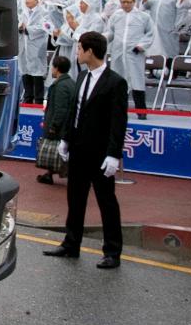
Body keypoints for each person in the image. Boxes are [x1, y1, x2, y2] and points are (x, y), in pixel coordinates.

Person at [45, 31, 128, 268]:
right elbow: (75, 112)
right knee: (75, 198)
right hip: (78, 149)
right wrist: (65, 139)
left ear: (90, 51)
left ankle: (112, 251)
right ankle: (71, 243)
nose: (77, 52)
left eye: (80, 48)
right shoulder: (81, 78)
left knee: (106, 201)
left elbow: (118, 122)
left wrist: (114, 154)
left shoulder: (115, 82)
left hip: (101, 153)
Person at [106, 0, 155, 118]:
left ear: (134, 2)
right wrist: (101, 39)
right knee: (117, 81)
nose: (126, 5)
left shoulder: (143, 16)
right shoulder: (116, 16)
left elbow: (150, 33)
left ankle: (141, 112)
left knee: (137, 81)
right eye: (123, 2)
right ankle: (117, 110)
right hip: (118, 53)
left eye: (128, 2)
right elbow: (110, 33)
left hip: (134, 54)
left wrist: (141, 46)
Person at [38, 55, 76, 185]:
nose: (51, 70)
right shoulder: (70, 83)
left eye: (52, 67)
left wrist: (53, 126)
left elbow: (60, 109)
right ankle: (50, 174)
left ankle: (54, 174)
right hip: (67, 125)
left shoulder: (60, 86)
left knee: (57, 151)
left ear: (57, 68)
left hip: (61, 127)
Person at [18, 0, 49, 103]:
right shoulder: (24, 13)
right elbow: (19, 25)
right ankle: (28, 98)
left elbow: (44, 27)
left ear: (36, 0)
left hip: (37, 47)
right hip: (25, 48)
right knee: (26, 73)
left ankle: (39, 100)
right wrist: (20, 28)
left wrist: (28, 29)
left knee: (37, 74)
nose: (27, 1)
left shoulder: (43, 12)